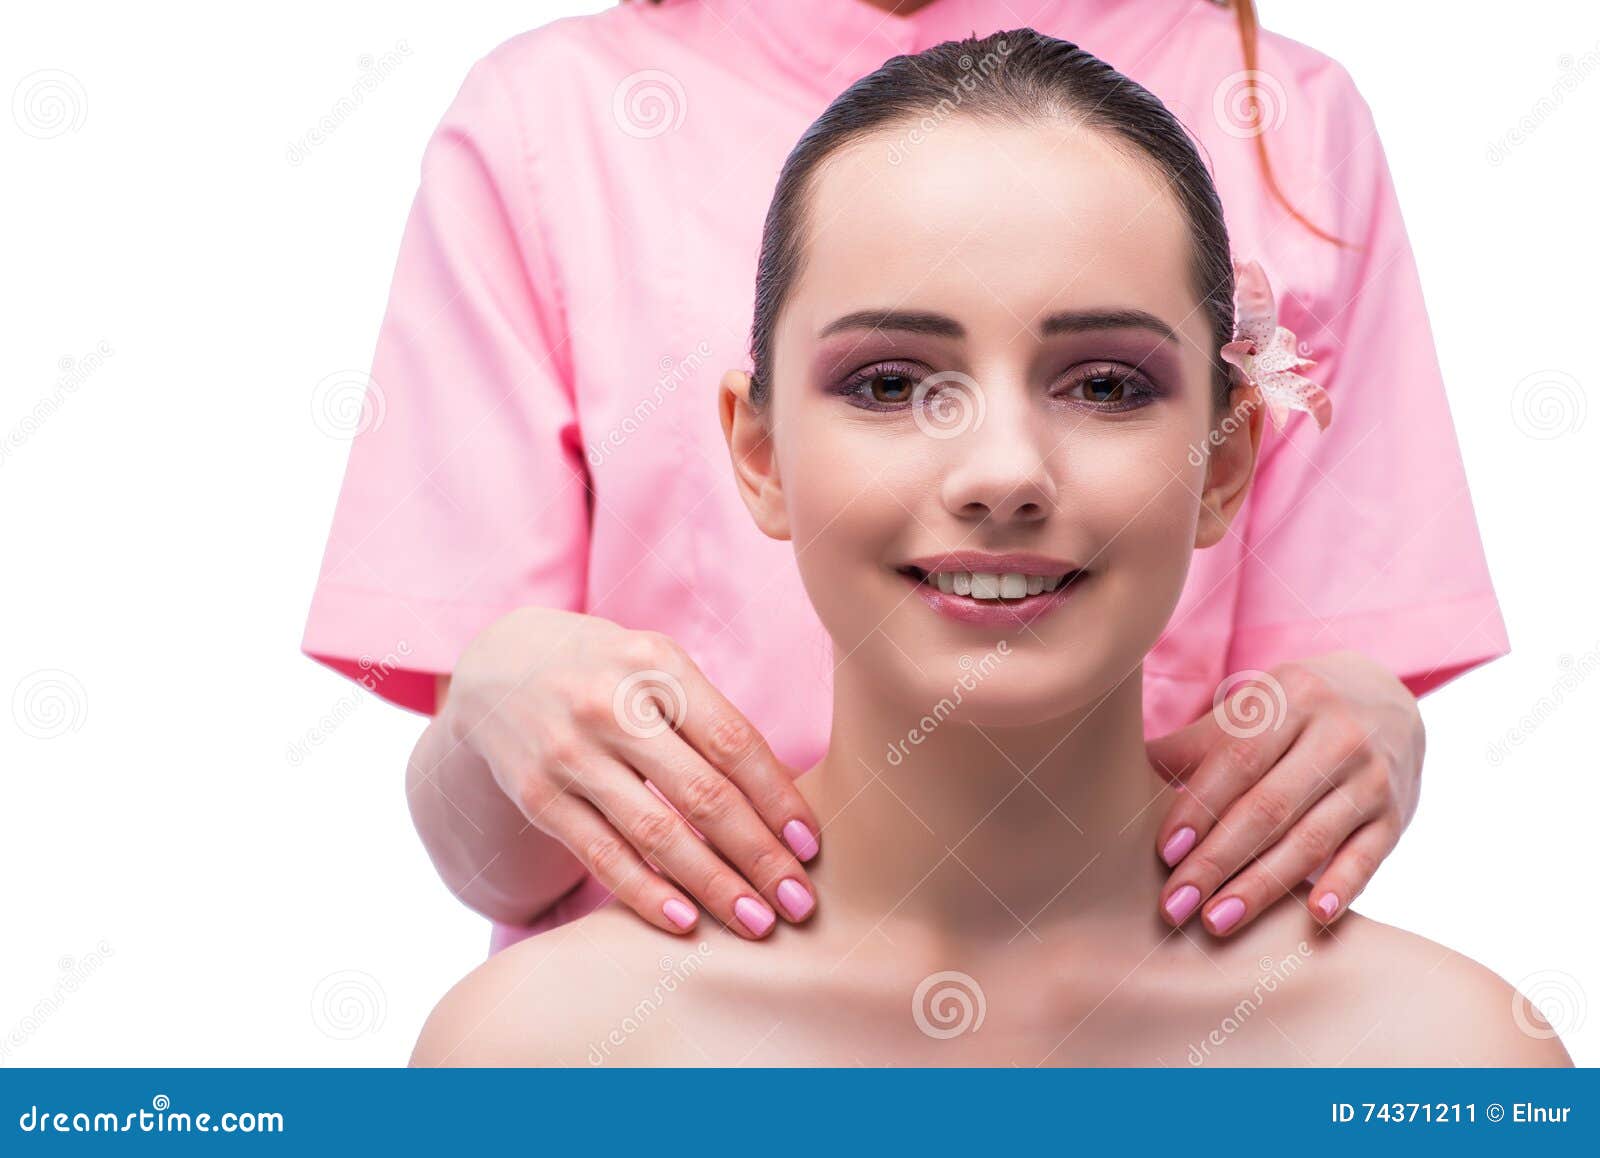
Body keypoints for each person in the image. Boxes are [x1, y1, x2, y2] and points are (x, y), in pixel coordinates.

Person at [409, 30, 1566, 1066]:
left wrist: (1364, 705)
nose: (1002, 470)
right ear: (757, 452)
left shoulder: (1439, 1059)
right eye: (890, 383)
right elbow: (496, 844)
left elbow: (1328, 702)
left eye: (1106, 384)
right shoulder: (543, 1049)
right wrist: (487, 702)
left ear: (1223, 458)